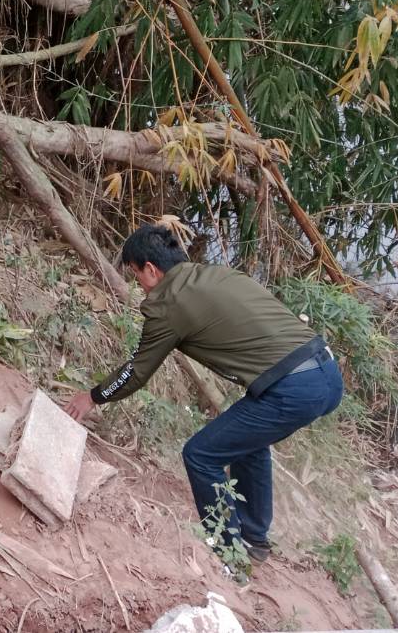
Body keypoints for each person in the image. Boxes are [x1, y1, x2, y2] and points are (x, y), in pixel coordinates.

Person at [66, 223, 344, 562]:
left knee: (200, 455)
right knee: (246, 444)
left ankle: (228, 556)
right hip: (326, 372)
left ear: (152, 270)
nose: (139, 286)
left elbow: (136, 371)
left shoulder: (170, 303)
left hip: (293, 387)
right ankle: (253, 539)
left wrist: (93, 397)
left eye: (136, 275)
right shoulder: (216, 275)